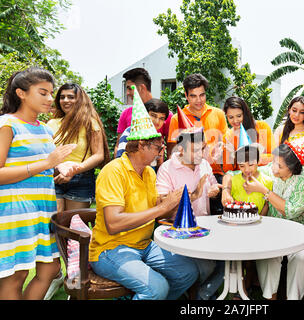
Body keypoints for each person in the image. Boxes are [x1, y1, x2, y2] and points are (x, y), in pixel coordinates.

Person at [89, 85, 198, 300]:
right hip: (110, 249)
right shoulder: (113, 171)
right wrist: (162, 207)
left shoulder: (148, 172)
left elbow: (156, 211)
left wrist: (176, 204)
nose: (162, 153)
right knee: (157, 288)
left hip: (144, 245)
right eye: (158, 148)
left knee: (188, 272)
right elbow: (114, 223)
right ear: (141, 145)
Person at [0, 67, 79, 299]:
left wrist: (63, 168)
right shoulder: (7, 124)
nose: (49, 98)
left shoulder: (44, 128)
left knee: (51, 268)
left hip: (44, 210)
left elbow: (48, 165)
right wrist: (47, 163)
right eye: (42, 92)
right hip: (15, 210)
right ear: (21, 93)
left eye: (50, 93)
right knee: (16, 276)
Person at [236, 143, 304, 300]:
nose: (274, 168)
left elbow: (291, 211)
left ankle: (293, 297)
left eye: (280, 166)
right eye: (274, 162)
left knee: (300, 257)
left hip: (298, 231)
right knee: (269, 253)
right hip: (272, 229)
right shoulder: (268, 170)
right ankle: (269, 296)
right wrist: (224, 188)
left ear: (292, 168)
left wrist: (264, 191)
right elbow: (235, 173)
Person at [156, 128, 223, 300]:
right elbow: (162, 208)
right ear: (181, 150)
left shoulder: (204, 164)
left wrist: (214, 190)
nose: (201, 154)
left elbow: (213, 185)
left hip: (207, 229)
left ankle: (202, 293)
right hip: (179, 232)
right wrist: (193, 196)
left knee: (229, 259)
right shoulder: (167, 169)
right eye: (195, 150)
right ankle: (198, 295)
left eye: (202, 149)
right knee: (206, 266)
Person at [167, 73, 228, 215]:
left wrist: (220, 150)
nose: (198, 100)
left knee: (218, 216)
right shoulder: (177, 119)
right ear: (186, 96)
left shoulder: (218, 114)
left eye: (202, 95)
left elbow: (224, 142)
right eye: (193, 96)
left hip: (214, 174)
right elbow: (173, 152)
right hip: (188, 175)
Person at [47, 83, 109, 212]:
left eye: (70, 97)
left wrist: (73, 171)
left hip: (81, 179)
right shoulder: (51, 123)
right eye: (62, 97)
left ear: (80, 100)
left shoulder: (90, 123)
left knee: (74, 227)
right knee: (54, 224)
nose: (65, 100)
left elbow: (98, 155)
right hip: (55, 177)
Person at [114, 68, 173, 156]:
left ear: (141, 88)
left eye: (130, 88)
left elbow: (170, 150)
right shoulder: (126, 114)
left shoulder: (166, 115)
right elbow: (118, 146)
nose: (127, 93)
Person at [273, 96, 304, 196]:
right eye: (294, 110)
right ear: (289, 110)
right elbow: (274, 157)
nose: (296, 115)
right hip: (286, 178)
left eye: (302, 112)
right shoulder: (280, 130)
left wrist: (303, 152)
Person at [222, 96, 274, 172]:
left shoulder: (262, 127)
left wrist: (252, 158)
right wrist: (231, 155)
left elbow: (274, 157)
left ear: (245, 114)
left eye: (239, 116)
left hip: (264, 176)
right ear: (226, 116)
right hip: (242, 179)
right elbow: (227, 170)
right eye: (231, 117)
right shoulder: (227, 137)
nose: (235, 120)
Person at [116, 98, 170, 170]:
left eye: (161, 118)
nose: (157, 121)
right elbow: (120, 160)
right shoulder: (130, 133)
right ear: (144, 115)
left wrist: (159, 160)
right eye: (153, 115)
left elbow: (156, 168)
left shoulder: (157, 140)